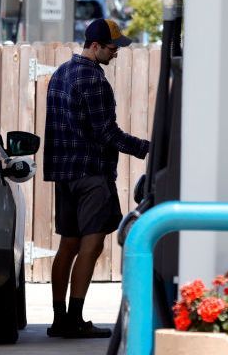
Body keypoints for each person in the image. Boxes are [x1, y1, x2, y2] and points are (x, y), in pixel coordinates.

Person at [44, 18, 151, 339]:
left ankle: (59, 318)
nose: (116, 52)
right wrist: (148, 148)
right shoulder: (94, 80)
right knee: (91, 245)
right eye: (112, 46)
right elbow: (106, 133)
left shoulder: (61, 73)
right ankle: (75, 320)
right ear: (94, 46)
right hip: (91, 174)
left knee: (68, 246)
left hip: (64, 175)